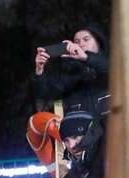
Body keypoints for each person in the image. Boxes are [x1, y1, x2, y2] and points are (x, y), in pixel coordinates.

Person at [27, 24, 109, 169]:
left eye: (86, 39)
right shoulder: (70, 75)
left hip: (114, 142)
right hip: (84, 148)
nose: (81, 44)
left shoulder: (112, 66)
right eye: (76, 42)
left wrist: (87, 58)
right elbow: (45, 92)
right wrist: (39, 70)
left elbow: (118, 72)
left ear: (98, 42)